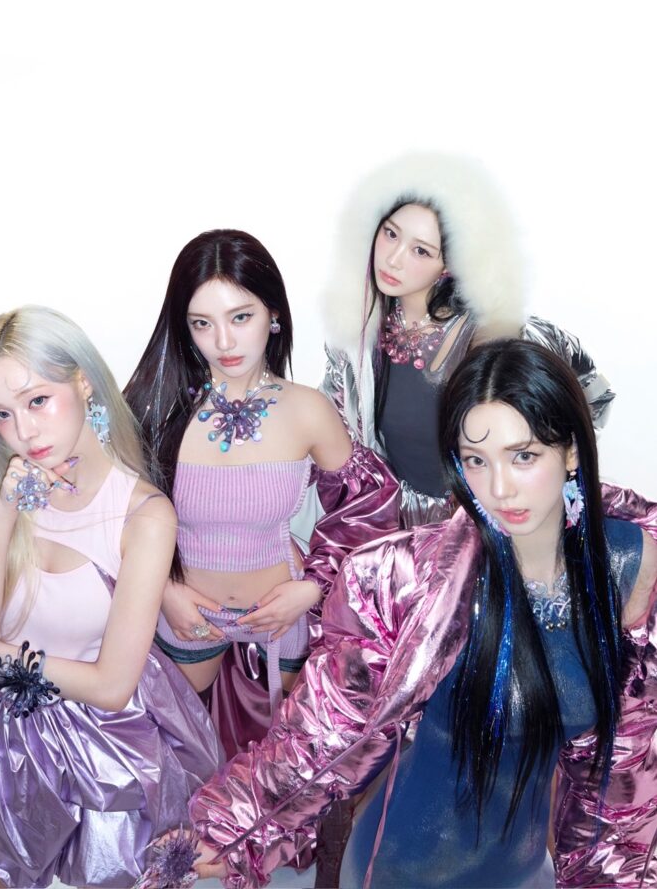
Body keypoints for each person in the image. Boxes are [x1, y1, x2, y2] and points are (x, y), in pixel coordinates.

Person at [138, 340, 657, 889]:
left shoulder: (630, 568)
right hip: (401, 868)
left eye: (523, 456)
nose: (500, 489)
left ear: (571, 450)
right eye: (476, 461)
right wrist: (232, 828)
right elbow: (323, 733)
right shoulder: (407, 579)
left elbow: (622, 775)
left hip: (524, 874)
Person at [0, 306, 221, 889]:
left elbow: (110, 685)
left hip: (97, 745)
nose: (23, 431)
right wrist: (6, 507)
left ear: (83, 382)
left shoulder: (143, 515)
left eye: (37, 400)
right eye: (2, 414)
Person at [123, 229, 399, 749]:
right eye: (202, 323)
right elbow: (110, 515)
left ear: (273, 314)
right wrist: (162, 589)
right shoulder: (153, 409)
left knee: (287, 770)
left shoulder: (307, 409)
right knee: (179, 764)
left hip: (282, 619)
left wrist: (312, 588)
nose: (224, 342)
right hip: (183, 617)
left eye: (240, 317)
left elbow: (369, 507)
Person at [321, 152, 615, 527]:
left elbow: (592, 396)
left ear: (450, 264)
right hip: (392, 528)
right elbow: (340, 439)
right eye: (391, 233)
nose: (393, 259)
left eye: (421, 250)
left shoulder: (494, 336)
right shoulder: (356, 341)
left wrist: (543, 477)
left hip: (483, 527)